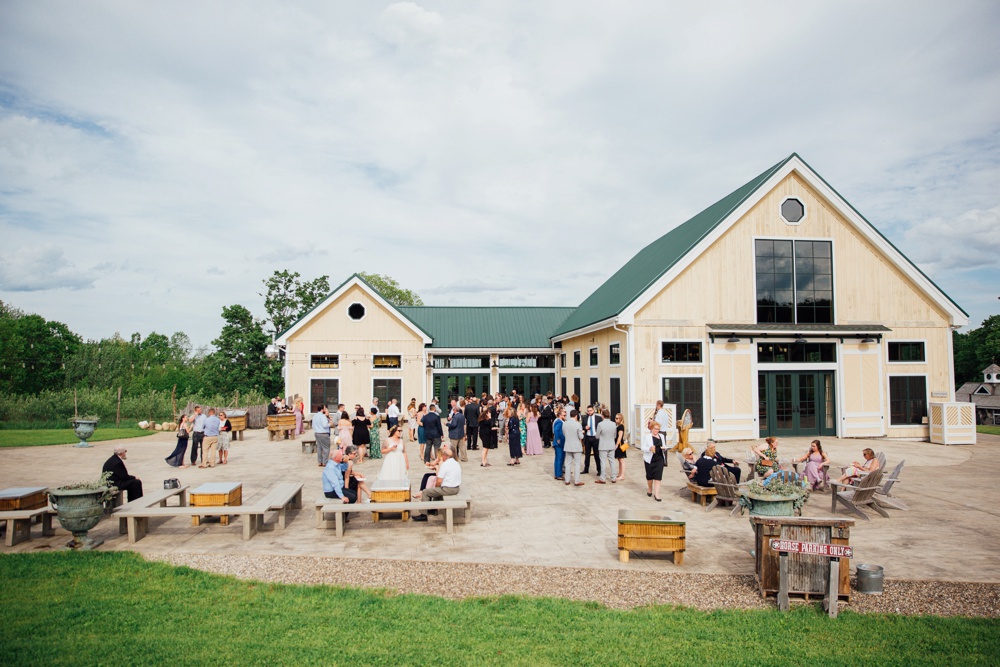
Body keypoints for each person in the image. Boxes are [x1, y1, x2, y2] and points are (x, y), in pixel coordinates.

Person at [411, 443, 462, 522]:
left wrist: (435, 487)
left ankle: (423, 514)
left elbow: (439, 481)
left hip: (448, 489)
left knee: (426, 492)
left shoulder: (445, 465)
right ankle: (433, 509)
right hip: (456, 488)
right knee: (436, 491)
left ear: (445, 456)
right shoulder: (456, 463)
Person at [641, 419, 668, 501]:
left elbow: (664, 446)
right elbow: (643, 448)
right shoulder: (647, 437)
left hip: (659, 458)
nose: (657, 430)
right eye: (655, 429)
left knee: (658, 477)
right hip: (650, 459)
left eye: (658, 429)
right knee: (649, 476)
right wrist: (649, 448)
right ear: (652, 428)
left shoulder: (662, 436)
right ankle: (650, 489)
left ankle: (657, 494)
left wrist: (664, 448)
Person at [562, 410, 585, 486]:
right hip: (576, 446)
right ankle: (577, 480)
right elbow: (581, 436)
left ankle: (567, 480)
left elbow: (564, 433)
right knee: (577, 464)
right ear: (576, 416)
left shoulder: (565, 424)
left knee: (568, 463)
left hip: (568, 445)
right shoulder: (578, 424)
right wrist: (582, 433)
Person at [595, 409, 618, 484]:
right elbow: (615, 435)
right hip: (611, 444)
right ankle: (614, 477)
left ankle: (603, 478)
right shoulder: (613, 424)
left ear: (602, 416)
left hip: (603, 445)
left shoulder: (600, 424)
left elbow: (597, 436)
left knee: (603, 461)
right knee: (612, 461)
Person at [581, 405, 602, 477]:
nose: (589, 412)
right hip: (588, 437)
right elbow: (582, 426)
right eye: (588, 411)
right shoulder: (584, 418)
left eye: (590, 410)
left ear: (593, 410)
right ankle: (586, 469)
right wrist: (585, 427)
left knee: (597, 454)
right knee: (587, 454)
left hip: (595, 438)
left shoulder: (598, 418)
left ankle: (599, 470)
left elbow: (601, 427)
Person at [654, 400, 671, 465]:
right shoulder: (665, 413)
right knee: (664, 446)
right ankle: (665, 461)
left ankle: (659, 460)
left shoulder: (659, 413)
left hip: (659, 431)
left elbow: (658, 423)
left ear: (658, 405)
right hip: (664, 431)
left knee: (658, 446)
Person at [479, 402, 495, 467]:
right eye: (489, 413)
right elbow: (490, 423)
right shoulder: (483, 420)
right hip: (484, 434)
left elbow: (491, 425)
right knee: (485, 448)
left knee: (487, 448)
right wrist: (490, 418)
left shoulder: (486, 420)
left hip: (487, 434)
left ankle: (485, 460)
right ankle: (483, 461)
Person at [552, 407, 566, 480]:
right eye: (564, 415)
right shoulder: (559, 422)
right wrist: (558, 440)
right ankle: (558, 474)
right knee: (559, 458)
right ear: (560, 415)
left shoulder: (560, 421)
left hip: (560, 442)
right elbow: (556, 431)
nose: (565, 416)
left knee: (559, 458)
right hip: (559, 443)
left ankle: (557, 473)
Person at [613, 413, 627, 482]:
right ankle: (620, 473)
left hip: (620, 445)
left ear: (621, 419)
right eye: (615, 418)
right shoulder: (618, 426)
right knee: (619, 459)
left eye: (617, 418)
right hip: (619, 444)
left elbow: (620, 436)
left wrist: (616, 444)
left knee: (621, 460)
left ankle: (622, 475)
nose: (616, 419)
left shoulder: (621, 426)